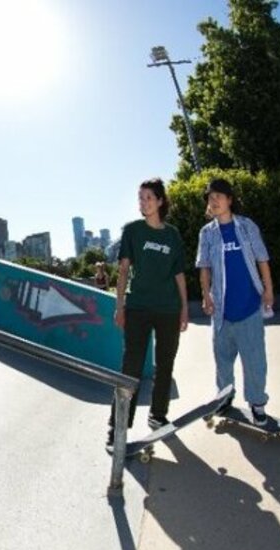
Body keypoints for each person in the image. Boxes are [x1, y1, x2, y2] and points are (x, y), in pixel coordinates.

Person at [107, 178, 189, 451]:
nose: (143, 203)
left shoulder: (173, 235)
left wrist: (185, 307)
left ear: (161, 201)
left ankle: (158, 415)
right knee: (131, 367)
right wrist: (119, 306)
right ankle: (117, 426)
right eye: (140, 198)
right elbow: (123, 271)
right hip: (139, 308)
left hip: (168, 308)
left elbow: (179, 274)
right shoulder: (133, 231)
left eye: (148, 198)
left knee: (165, 365)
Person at [196, 178, 274, 425]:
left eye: (219, 195)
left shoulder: (247, 226)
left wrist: (268, 289)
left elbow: (262, 259)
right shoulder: (207, 233)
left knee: (254, 360)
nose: (214, 200)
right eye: (211, 197)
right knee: (223, 360)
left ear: (230, 199)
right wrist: (206, 294)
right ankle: (225, 398)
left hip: (249, 306)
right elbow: (204, 267)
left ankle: (257, 404)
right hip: (221, 311)